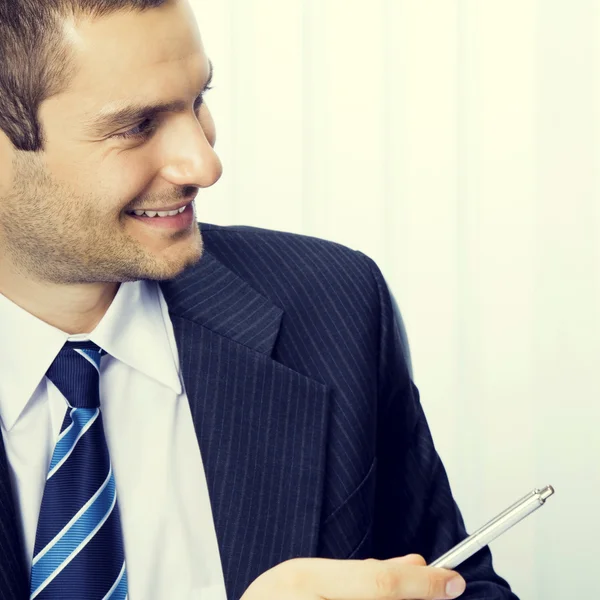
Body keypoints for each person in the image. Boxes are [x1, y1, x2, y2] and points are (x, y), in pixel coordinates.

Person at [0, 1, 519, 599]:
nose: (205, 163)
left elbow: (456, 585)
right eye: (137, 126)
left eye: (198, 101)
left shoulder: (333, 307)